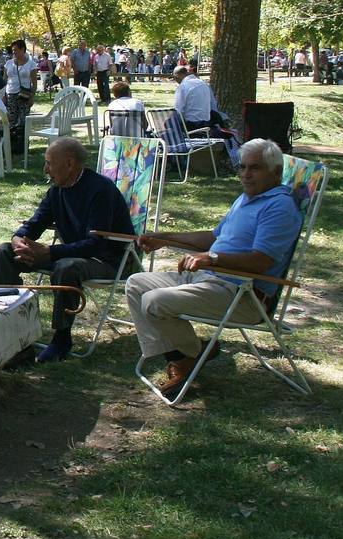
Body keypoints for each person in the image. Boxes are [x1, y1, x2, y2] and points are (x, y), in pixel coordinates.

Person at [126, 139, 303, 401]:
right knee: (135, 284)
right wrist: (165, 238)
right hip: (208, 279)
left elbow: (260, 262)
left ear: (276, 172)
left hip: (243, 294)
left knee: (154, 300)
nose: (245, 174)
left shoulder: (279, 207)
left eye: (254, 168)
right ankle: (185, 355)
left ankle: (190, 357)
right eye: (242, 167)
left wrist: (213, 259)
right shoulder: (247, 198)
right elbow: (213, 238)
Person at [0, 137, 135, 362]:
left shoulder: (100, 190)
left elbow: (95, 244)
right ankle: (11, 330)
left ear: (69, 163)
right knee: (5, 252)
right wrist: (18, 238)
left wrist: (50, 252)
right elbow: (35, 223)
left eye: (49, 163)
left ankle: (61, 339)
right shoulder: (56, 190)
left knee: (67, 267)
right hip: (69, 254)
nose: (45, 169)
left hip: (107, 260)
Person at [171, 65, 224, 135]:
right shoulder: (204, 84)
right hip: (207, 124)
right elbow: (213, 105)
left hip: (192, 126)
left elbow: (178, 111)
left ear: (178, 76)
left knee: (169, 123)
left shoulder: (183, 87)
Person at [3, 39, 38, 146]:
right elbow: (4, 80)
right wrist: (3, 95)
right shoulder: (8, 63)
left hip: (24, 94)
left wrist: (32, 97)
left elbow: (34, 82)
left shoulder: (31, 64)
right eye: (13, 50)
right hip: (10, 93)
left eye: (16, 50)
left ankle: (23, 143)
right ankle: (12, 143)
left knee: (23, 119)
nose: (14, 52)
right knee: (11, 118)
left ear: (22, 49)